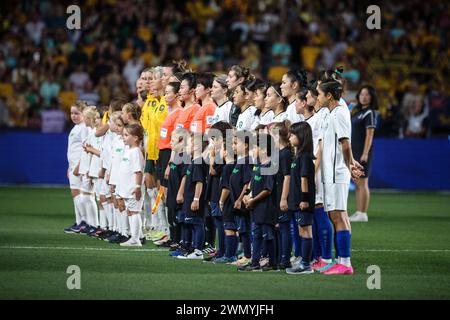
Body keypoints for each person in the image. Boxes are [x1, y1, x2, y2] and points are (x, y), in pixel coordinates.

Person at [315, 73, 363, 275]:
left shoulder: (340, 113)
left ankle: (345, 263)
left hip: (336, 172)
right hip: (332, 171)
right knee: (338, 215)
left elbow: (345, 142)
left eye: (318, 93)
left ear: (328, 96)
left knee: (337, 215)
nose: (316, 97)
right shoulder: (333, 112)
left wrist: (350, 163)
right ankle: (341, 260)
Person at [240, 133, 278, 272]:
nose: (252, 150)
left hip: (266, 208)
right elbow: (255, 186)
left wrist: (253, 200)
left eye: (254, 147)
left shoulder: (269, 166)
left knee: (268, 235)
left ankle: (273, 262)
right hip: (256, 208)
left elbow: (268, 189)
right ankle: (255, 262)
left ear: (262, 149)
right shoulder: (258, 166)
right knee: (256, 235)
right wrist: (248, 196)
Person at [286, 122, 316, 274]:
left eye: (292, 135)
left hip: (303, 202)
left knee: (306, 231)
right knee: (301, 231)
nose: (289, 137)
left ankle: (306, 264)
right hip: (297, 201)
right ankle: (304, 262)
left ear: (301, 136)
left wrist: (304, 199)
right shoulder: (297, 157)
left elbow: (304, 180)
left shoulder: (304, 157)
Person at [177, 133, 209, 259]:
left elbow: (199, 182)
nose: (186, 146)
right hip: (189, 199)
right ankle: (192, 249)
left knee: (197, 224)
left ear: (196, 146)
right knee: (192, 224)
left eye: (189, 143)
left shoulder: (198, 163)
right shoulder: (194, 162)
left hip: (194, 200)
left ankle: (198, 251)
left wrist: (196, 199)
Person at [349, 85, 378, 222]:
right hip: (354, 152)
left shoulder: (370, 113)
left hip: (362, 152)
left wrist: (365, 153)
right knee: (357, 183)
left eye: (367, 94)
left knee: (362, 183)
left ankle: (363, 213)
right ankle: (358, 211)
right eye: (361, 94)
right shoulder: (358, 112)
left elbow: (370, 134)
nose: (364, 97)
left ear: (372, 97)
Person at [116, 123, 146, 247]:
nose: (123, 137)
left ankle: (135, 238)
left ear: (135, 138)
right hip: (127, 188)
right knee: (130, 212)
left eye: (126, 135)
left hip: (133, 189)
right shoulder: (129, 151)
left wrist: (138, 187)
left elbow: (138, 171)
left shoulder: (136, 152)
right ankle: (134, 237)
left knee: (134, 212)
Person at [269, 121, 293, 269]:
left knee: (284, 227)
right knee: (278, 227)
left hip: (282, 196)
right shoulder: (279, 153)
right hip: (276, 194)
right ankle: (279, 257)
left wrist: (284, 198)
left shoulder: (285, 154)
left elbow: (287, 177)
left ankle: (285, 258)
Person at [64, 101, 89, 234]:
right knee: (76, 194)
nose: (73, 116)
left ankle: (84, 222)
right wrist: (70, 166)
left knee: (79, 194)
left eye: (76, 113)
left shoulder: (84, 127)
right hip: (74, 166)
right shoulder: (77, 127)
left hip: (79, 167)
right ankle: (79, 221)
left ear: (84, 114)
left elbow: (86, 148)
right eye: (72, 113)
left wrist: (79, 166)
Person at [78, 106, 99, 235]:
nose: (83, 119)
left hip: (90, 170)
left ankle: (95, 224)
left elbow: (92, 153)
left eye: (85, 117)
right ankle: (91, 224)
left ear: (89, 118)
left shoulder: (95, 133)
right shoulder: (91, 132)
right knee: (86, 198)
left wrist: (89, 171)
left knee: (89, 197)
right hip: (86, 169)